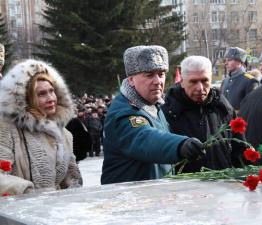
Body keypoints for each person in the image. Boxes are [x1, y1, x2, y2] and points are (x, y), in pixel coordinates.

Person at [101, 45, 206, 184]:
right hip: (128, 200)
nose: (158, 81)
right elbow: (145, 138)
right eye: (149, 75)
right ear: (131, 79)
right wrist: (180, 145)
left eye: (161, 74)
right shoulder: (123, 112)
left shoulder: (153, 106)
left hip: (151, 197)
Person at [0, 59, 82, 195]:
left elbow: (70, 178)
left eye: (52, 91)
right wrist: (26, 190)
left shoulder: (63, 134)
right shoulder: (7, 129)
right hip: (18, 211)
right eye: (41, 94)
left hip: (54, 211)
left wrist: (73, 193)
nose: (51, 98)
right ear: (26, 99)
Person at [162, 56, 247, 172]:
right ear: (182, 81)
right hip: (184, 186)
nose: (200, 88)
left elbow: (240, 150)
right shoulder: (168, 111)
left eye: (204, 81)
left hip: (223, 183)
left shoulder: (223, 107)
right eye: (193, 81)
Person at [220, 47, 259, 112]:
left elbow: (252, 108)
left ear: (239, 61)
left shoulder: (250, 81)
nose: (226, 63)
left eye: (229, 60)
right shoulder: (225, 81)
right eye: (225, 60)